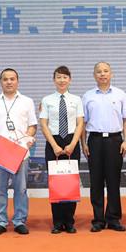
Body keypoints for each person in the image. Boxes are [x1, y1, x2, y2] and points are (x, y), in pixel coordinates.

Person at [0, 68, 37, 236]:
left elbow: (33, 126)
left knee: (21, 189)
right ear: (1, 82)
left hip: (20, 153)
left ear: (17, 81)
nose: (9, 82)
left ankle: (20, 221)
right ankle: (0, 222)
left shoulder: (27, 101)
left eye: (12, 79)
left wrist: (26, 139)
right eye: (5, 79)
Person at [82, 62, 126, 233]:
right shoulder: (88, 96)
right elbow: (83, 123)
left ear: (111, 74)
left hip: (115, 140)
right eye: (99, 72)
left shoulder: (120, 94)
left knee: (113, 181)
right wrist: (83, 143)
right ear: (94, 75)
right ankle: (98, 220)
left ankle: (113, 218)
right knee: (95, 181)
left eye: (105, 71)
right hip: (94, 141)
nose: (102, 74)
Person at [39, 66, 85, 234]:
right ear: (54, 80)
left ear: (70, 80)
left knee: (71, 182)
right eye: (59, 77)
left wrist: (73, 144)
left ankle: (69, 221)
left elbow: (80, 123)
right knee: (56, 183)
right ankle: (57, 222)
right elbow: (44, 124)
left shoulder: (76, 100)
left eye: (65, 77)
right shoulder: (47, 100)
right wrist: (54, 145)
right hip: (54, 142)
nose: (62, 80)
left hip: (72, 141)